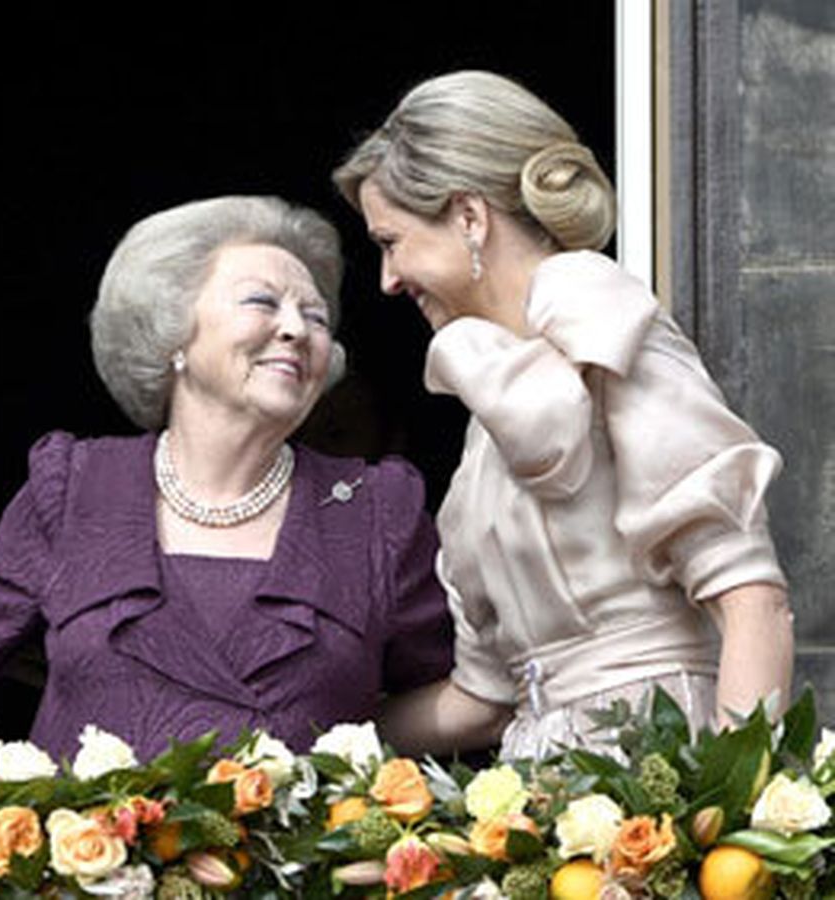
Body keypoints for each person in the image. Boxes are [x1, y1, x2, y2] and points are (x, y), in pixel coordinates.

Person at [0, 196, 454, 760]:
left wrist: (323, 760)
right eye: (263, 303)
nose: (298, 330)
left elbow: (458, 692)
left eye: (316, 315)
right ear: (173, 332)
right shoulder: (78, 487)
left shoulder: (373, 506)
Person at [333, 71, 794, 759]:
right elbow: (481, 700)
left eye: (389, 241)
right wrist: (306, 741)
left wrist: (724, 816)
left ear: (468, 216)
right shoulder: (487, 419)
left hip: (660, 771)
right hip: (541, 787)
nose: (387, 280)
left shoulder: (611, 328)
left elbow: (752, 600)